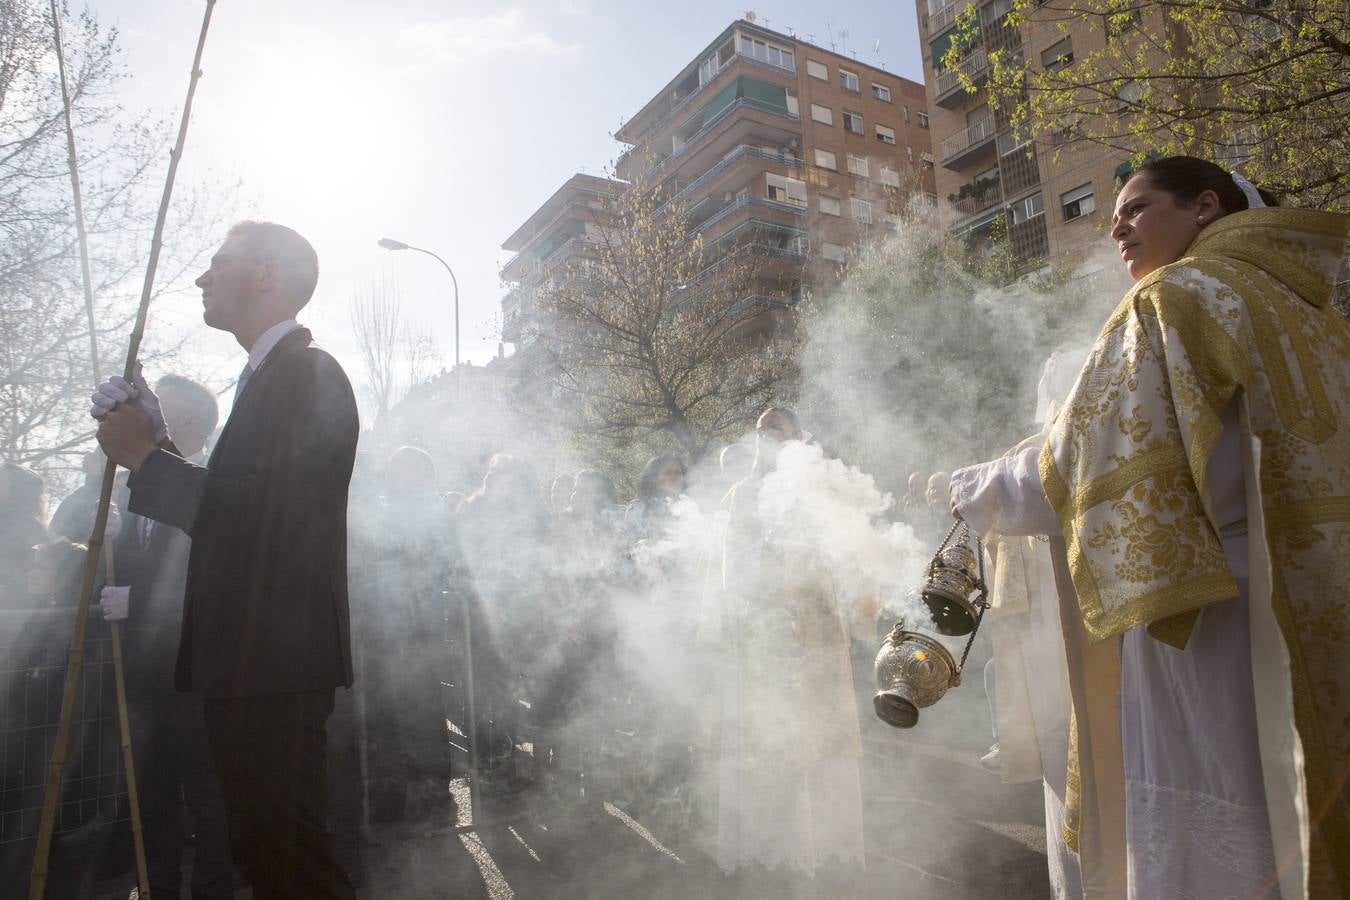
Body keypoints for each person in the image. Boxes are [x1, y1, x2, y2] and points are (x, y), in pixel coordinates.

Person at [949, 157, 1349, 898]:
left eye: (1135, 208)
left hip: (1208, 623)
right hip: (1311, 599)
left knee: (1219, 828)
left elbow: (1087, 461)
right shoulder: (1313, 315)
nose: (1115, 226)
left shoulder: (1174, 298)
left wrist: (980, 488)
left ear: (1203, 207)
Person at [93, 221, 359, 899]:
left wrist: (148, 461)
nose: (203, 278)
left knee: (290, 861)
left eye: (219, 263)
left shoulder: (309, 370)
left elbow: (273, 521)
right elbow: (240, 506)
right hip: (253, 663)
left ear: (267, 274)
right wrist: (157, 442)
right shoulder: (266, 376)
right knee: (268, 856)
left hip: (275, 663)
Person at [700, 406, 867, 881]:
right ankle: (769, 846)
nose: (770, 434)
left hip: (818, 634)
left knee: (821, 737)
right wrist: (768, 559)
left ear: (799, 436)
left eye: (780, 426)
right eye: (762, 428)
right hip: (763, 637)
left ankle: (828, 846)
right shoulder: (740, 495)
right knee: (767, 738)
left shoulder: (820, 488)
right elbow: (730, 568)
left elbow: (848, 551)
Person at [98, 374, 234, 900]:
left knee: (207, 796)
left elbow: (217, 585)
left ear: (189, 426)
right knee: (151, 795)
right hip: (145, 678)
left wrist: (143, 603)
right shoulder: (139, 486)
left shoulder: (210, 488)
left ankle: (213, 891)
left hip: (196, 675)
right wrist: (104, 545)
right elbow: (136, 566)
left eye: (160, 414)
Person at [624, 454, 686, 543]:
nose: (674, 477)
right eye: (667, 473)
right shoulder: (637, 509)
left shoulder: (690, 508)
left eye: (678, 472)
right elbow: (629, 546)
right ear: (654, 478)